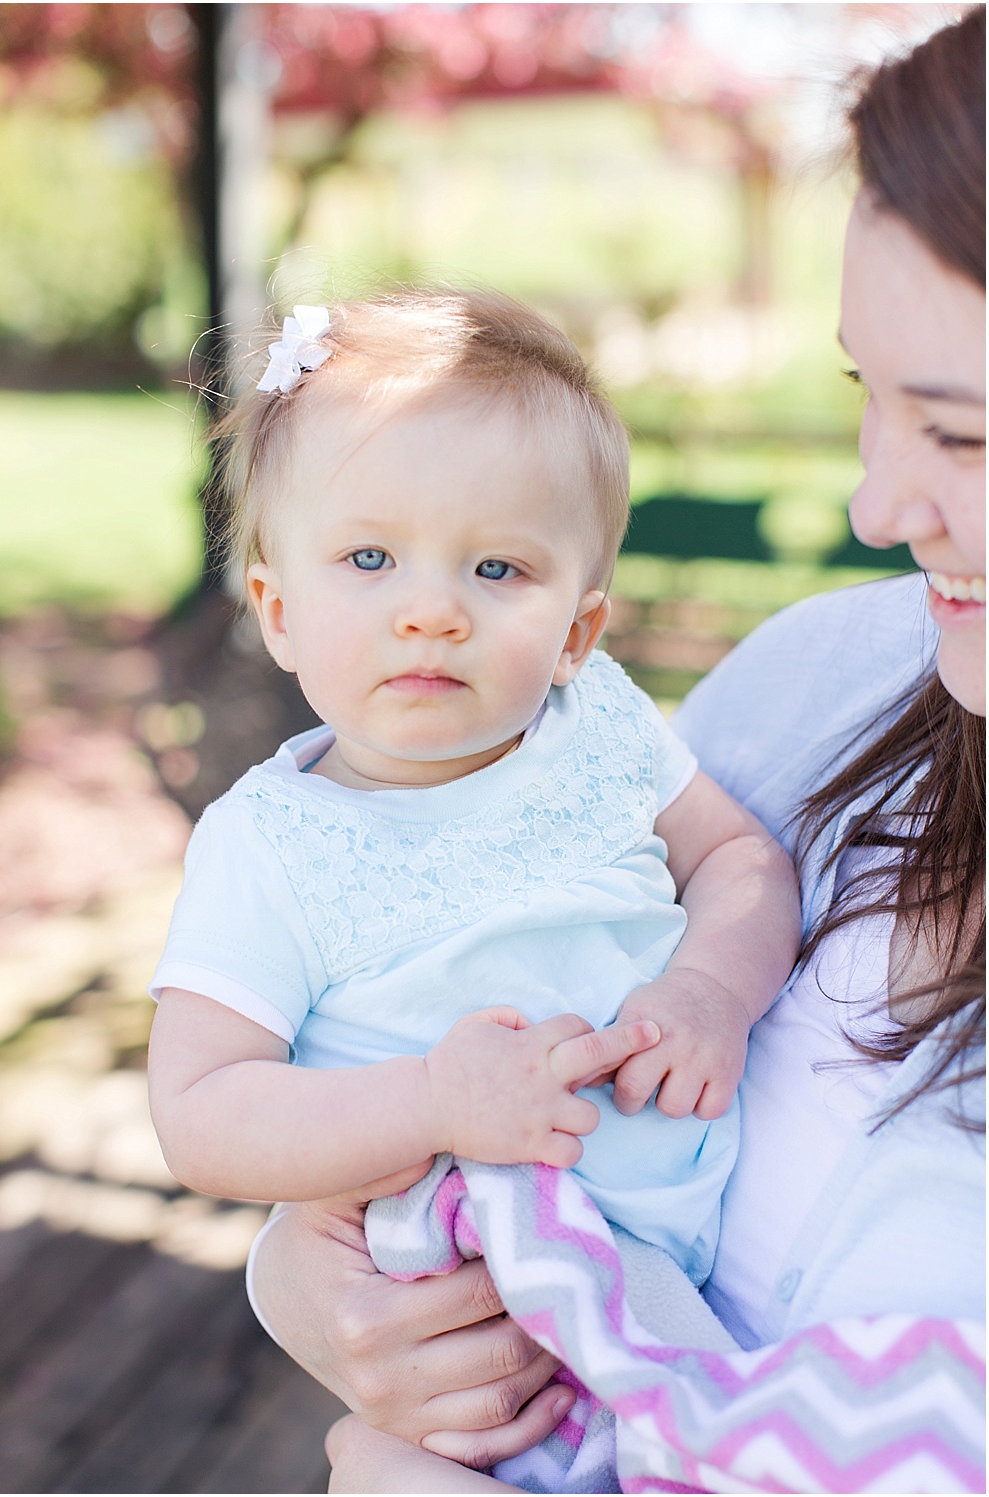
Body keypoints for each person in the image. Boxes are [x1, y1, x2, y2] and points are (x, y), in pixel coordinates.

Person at [245, 10, 986, 1493]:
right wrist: (321, 1287)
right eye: (865, 401)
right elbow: (425, 1081)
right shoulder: (812, 692)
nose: (875, 507)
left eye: (962, 435)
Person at [147, 290, 801, 1352]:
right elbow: (201, 1112)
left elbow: (738, 859)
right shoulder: (273, 842)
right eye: (370, 560)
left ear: (578, 629)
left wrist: (710, 991)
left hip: (678, 1268)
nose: (432, 610)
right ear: (277, 613)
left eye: (496, 568)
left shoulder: (601, 731)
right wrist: (430, 1103)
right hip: (465, 1277)